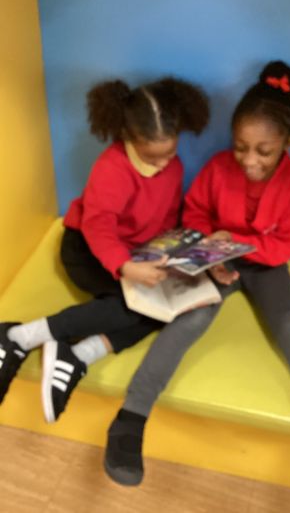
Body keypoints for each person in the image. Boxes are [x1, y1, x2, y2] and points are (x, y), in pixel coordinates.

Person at [103, 61, 290, 513]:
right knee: (191, 318)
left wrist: (241, 245)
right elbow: (195, 212)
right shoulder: (219, 168)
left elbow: (287, 244)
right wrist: (213, 249)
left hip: (265, 266)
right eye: (241, 147)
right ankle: (130, 420)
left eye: (264, 151)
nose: (249, 160)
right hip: (215, 260)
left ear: (287, 143)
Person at [0, 76, 209, 424]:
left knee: (162, 311)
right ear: (127, 138)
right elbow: (98, 227)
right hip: (87, 249)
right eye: (151, 156)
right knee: (132, 305)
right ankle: (19, 336)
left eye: (170, 153)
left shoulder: (173, 168)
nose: (162, 164)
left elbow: (166, 218)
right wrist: (125, 266)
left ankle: (79, 355)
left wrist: (170, 256)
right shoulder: (113, 167)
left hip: (135, 253)